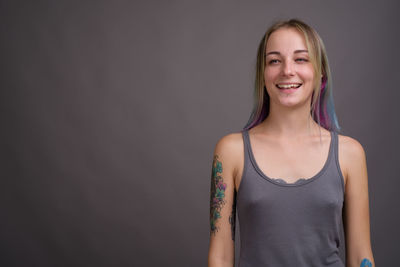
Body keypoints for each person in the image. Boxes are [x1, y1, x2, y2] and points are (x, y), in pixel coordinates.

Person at [207, 19, 375, 267]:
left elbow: (361, 254)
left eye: (301, 59)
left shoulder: (350, 153)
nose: (287, 70)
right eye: (275, 60)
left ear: (320, 72)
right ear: (263, 74)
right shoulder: (231, 151)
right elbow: (219, 257)